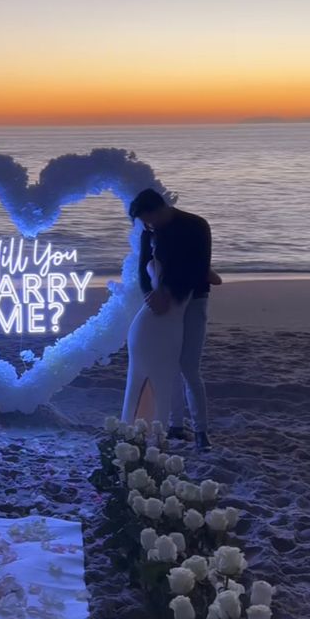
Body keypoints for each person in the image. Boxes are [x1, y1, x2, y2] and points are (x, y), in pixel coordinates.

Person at [121, 188, 219, 450]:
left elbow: (199, 268)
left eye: (150, 218)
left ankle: (201, 430)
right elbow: (144, 270)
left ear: (160, 208)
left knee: (189, 366)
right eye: (144, 222)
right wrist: (151, 296)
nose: (149, 225)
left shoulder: (195, 225)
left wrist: (169, 294)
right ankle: (175, 425)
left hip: (192, 300)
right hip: (160, 305)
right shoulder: (150, 232)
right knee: (167, 367)